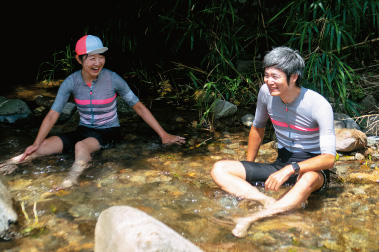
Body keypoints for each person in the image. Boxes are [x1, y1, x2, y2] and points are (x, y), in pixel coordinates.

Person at [1, 35, 185, 189]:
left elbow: (138, 107)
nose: (98, 62)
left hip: (109, 131)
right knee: (43, 147)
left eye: (101, 57)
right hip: (83, 130)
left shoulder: (114, 79)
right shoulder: (71, 82)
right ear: (79, 59)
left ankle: (71, 180)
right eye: (92, 58)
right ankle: (9, 163)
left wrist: (164, 135)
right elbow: (52, 115)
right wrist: (36, 142)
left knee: (81, 146)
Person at [211, 47, 336, 237]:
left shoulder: (318, 105)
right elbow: (258, 127)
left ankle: (251, 219)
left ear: (293, 77)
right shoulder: (265, 93)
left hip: (311, 168)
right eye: (266, 75)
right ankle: (266, 201)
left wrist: (290, 169)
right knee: (219, 169)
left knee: (309, 178)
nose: (269, 81)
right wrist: (249, 168)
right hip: (280, 162)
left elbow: (329, 159)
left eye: (275, 76)